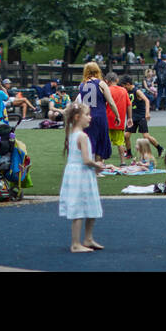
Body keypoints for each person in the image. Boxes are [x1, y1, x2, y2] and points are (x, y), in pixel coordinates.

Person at [59, 102, 105, 252]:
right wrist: (98, 165)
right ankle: (76, 243)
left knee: (89, 204)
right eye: (87, 115)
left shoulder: (72, 134)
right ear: (78, 117)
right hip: (81, 173)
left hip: (77, 173)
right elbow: (86, 159)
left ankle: (88, 239)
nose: (90, 118)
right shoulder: (82, 136)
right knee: (79, 207)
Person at [75, 62, 119, 162]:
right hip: (100, 115)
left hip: (86, 117)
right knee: (101, 141)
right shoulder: (101, 83)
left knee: (89, 140)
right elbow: (111, 102)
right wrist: (117, 116)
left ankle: (88, 165)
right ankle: (98, 167)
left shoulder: (82, 85)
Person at [124, 78, 161, 159]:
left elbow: (147, 100)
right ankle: (129, 153)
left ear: (128, 84)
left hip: (141, 116)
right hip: (132, 117)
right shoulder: (126, 92)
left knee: (146, 136)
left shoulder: (137, 91)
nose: (124, 88)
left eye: (124, 86)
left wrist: (147, 113)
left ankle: (159, 148)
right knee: (126, 135)